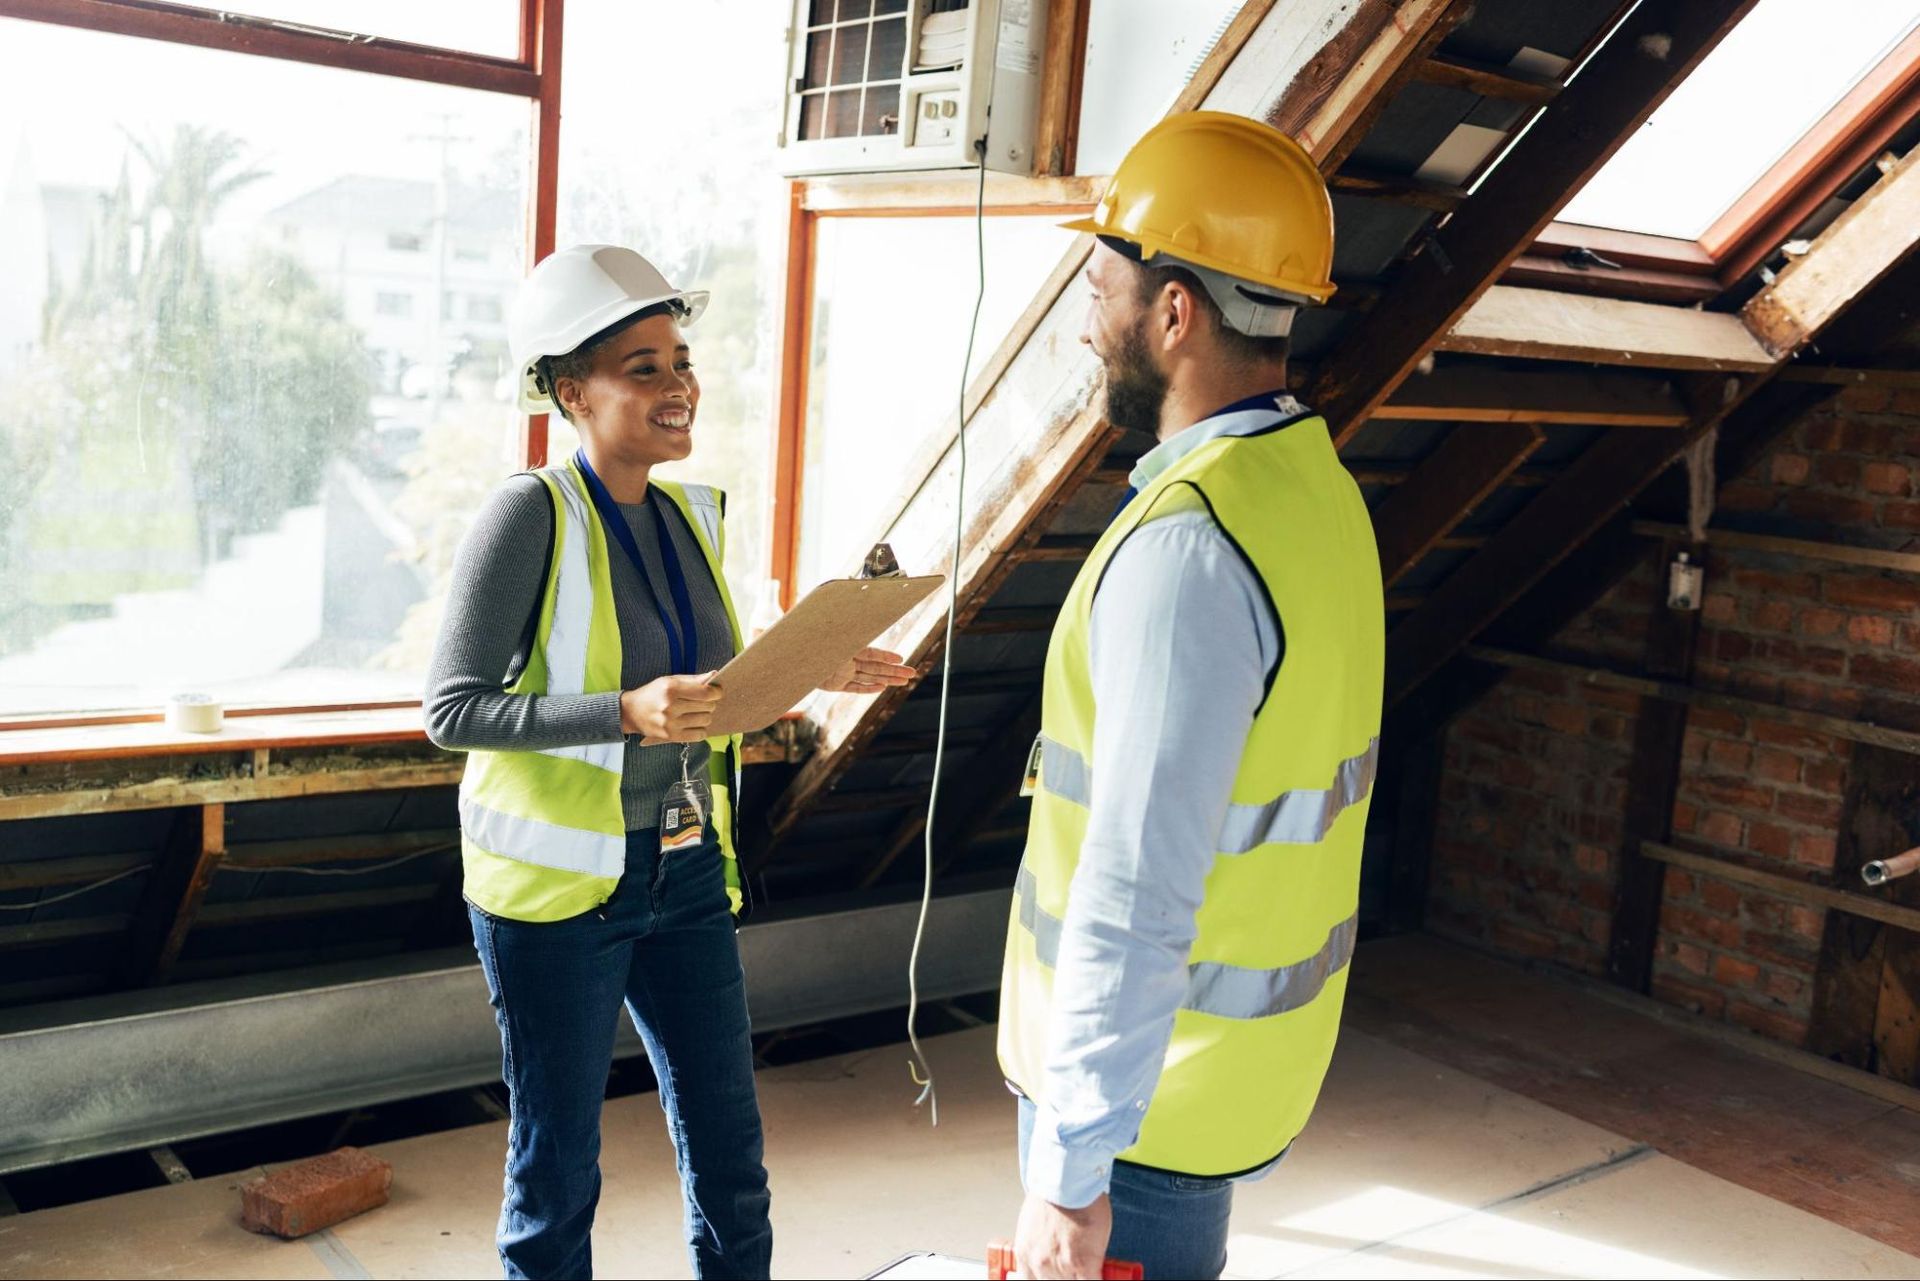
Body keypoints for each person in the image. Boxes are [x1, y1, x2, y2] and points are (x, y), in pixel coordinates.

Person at [425, 243, 914, 1280]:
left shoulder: (690, 518)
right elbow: (452, 710)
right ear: (572, 391)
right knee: (556, 1172)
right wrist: (625, 713)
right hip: (559, 898)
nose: (677, 386)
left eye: (680, 362)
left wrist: (820, 664)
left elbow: (707, 704)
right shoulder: (531, 515)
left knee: (731, 1150)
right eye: (641, 368)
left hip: (682, 873)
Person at [998, 113, 1385, 1280]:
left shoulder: (1189, 548)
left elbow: (1135, 888)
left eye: (1100, 284)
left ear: (1174, 313)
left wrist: (1069, 1175)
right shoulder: (1313, 492)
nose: (1082, 321)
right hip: (1223, 1081)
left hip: (1141, 1117)